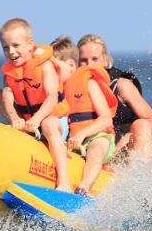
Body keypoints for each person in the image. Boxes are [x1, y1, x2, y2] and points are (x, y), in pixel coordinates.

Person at [41, 36, 117, 194]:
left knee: (95, 150)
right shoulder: (53, 91)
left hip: (97, 136)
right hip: (72, 142)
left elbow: (106, 119)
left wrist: (82, 134)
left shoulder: (89, 83)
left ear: (70, 65)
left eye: (54, 68)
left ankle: (84, 188)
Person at [77, 34, 152, 160]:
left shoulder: (122, 86)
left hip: (123, 148)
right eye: (83, 60)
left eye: (95, 59)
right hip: (93, 145)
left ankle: (139, 173)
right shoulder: (72, 86)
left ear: (105, 60)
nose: (89, 64)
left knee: (142, 125)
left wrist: (130, 136)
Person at [0, 18, 66, 135]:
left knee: (48, 124)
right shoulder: (9, 74)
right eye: (5, 47)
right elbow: (7, 100)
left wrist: (36, 120)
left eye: (15, 45)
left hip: (50, 121)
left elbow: (52, 97)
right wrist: (15, 118)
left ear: (30, 45)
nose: (10, 51)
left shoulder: (45, 65)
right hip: (25, 122)